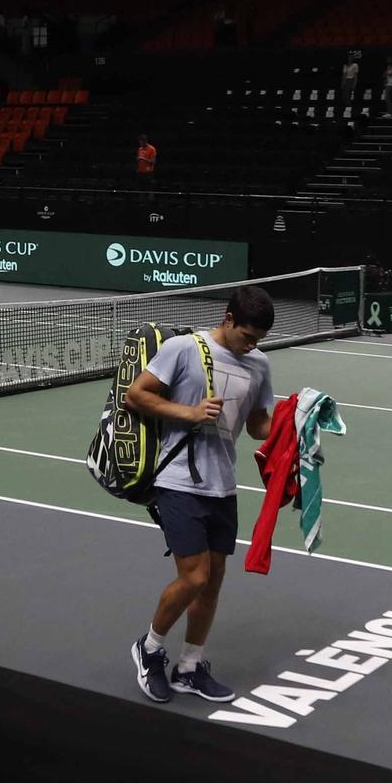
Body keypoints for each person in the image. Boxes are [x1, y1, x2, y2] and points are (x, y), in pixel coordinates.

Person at [123, 286, 277, 706]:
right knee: (195, 576)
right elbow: (136, 395)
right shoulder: (182, 349)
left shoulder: (259, 363)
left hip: (223, 485)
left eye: (258, 339)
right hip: (177, 481)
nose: (252, 345)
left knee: (212, 583)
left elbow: (259, 426)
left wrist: (296, 420)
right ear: (228, 319)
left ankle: (190, 667)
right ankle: (150, 648)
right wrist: (189, 413)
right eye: (247, 335)